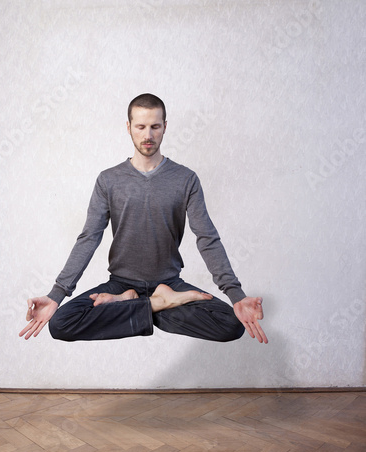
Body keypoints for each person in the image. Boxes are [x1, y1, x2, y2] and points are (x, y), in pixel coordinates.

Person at [19, 94, 267, 344]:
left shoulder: (185, 179)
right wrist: (56, 295)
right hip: (120, 284)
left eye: (155, 127)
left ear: (165, 127)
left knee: (232, 324)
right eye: (140, 127)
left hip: (169, 282)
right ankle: (156, 303)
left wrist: (236, 295)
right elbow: (89, 238)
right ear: (128, 128)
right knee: (62, 323)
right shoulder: (108, 180)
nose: (147, 135)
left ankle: (141, 303)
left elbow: (207, 238)